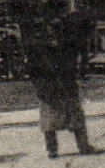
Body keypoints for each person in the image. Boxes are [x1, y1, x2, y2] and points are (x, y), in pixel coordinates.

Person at [25, 14, 94, 159]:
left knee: (68, 117)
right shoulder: (43, 48)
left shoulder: (64, 46)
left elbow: (76, 59)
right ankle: (65, 148)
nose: (54, 34)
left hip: (58, 86)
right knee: (54, 119)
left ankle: (75, 147)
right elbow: (32, 69)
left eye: (57, 30)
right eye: (52, 30)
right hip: (53, 87)